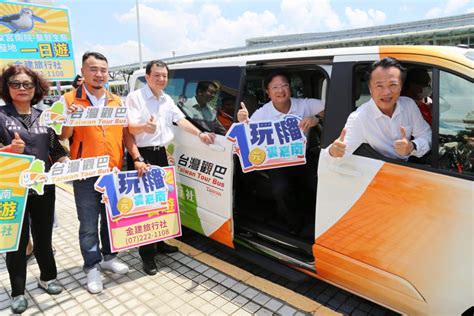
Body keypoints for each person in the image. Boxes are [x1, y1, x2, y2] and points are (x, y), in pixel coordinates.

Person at [59, 52, 147, 294]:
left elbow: (126, 134)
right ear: (83, 72)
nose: (99, 74)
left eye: (103, 70)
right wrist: (71, 118)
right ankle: (92, 266)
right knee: (88, 223)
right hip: (86, 173)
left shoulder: (117, 102)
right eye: (93, 69)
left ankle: (109, 257)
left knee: (111, 218)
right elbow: (63, 136)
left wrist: (137, 158)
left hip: (114, 172)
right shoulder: (69, 100)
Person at [126, 60, 216, 275]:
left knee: (162, 202)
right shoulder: (135, 98)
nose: (161, 79)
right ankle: (147, 256)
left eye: (164, 76)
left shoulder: (166, 99)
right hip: (142, 156)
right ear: (147, 77)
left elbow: (181, 120)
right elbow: (128, 128)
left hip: (161, 154)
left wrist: (200, 133)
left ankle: (160, 243)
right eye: (156, 75)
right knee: (146, 206)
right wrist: (144, 127)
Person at [0, 64, 69, 314]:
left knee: (44, 236)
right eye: (15, 84)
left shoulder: (44, 115)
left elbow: (55, 148)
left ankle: (47, 278)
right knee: (16, 242)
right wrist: (7, 150)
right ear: (7, 88)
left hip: (43, 187)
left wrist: (64, 161)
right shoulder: (1, 116)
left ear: (36, 88)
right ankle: (18, 291)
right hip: (12, 190)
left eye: (27, 84)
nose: (22, 88)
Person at [237, 71, 325, 235]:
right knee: (281, 189)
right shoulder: (262, 113)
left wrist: (316, 118)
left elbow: (332, 107)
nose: (280, 90)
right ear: (268, 92)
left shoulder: (304, 105)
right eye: (275, 87)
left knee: (317, 183)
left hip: (301, 157)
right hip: (277, 161)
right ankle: (294, 226)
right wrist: (243, 121)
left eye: (284, 85)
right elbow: (247, 135)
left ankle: (317, 221)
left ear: (290, 88)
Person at [328, 57, 432, 160]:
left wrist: (412, 146)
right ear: (370, 88)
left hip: (411, 167)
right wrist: (333, 152)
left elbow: (426, 135)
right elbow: (336, 156)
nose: (386, 92)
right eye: (379, 86)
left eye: (393, 85)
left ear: (401, 86)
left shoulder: (409, 105)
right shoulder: (359, 118)